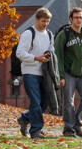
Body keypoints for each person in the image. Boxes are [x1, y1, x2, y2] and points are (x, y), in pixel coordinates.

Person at [55, 7, 82, 138]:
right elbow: (58, 56)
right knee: (68, 102)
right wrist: (61, 76)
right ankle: (68, 128)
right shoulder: (64, 34)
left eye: (81, 17)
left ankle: (77, 124)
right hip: (68, 73)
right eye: (76, 17)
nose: (79, 20)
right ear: (71, 19)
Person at [16, 8, 54, 139]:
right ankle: (35, 131)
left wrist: (50, 55)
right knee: (36, 101)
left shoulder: (49, 34)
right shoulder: (28, 33)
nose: (45, 24)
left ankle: (25, 118)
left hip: (44, 73)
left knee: (43, 103)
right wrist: (36, 58)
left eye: (48, 21)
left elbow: (52, 50)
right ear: (36, 19)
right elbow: (19, 53)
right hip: (30, 72)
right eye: (43, 21)